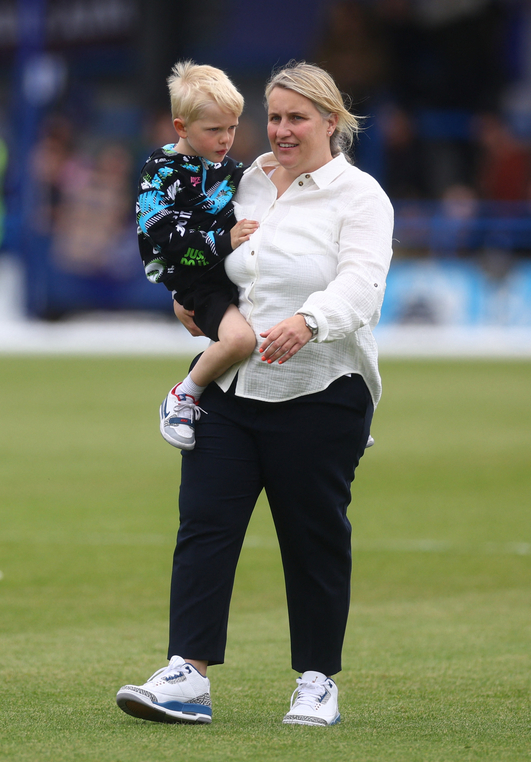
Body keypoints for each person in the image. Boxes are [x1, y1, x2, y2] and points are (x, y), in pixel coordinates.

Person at [117, 61, 393, 727]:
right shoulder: (242, 179)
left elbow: (364, 283)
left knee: (314, 537)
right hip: (234, 391)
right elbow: (201, 253)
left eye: (297, 117)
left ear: (332, 121)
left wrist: (309, 321)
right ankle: (187, 674)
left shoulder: (360, 197)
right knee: (206, 526)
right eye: (274, 116)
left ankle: (316, 680)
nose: (281, 130)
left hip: (323, 389)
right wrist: (192, 303)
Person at [137, 60, 258, 450]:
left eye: (232, 128)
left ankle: (331, 407)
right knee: (240, 341)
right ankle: (183, 396)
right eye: (215, 130)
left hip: (233, 273)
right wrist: (225, 242)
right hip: (198, 283)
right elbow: (163, 235)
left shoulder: (230, 169)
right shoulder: (159, 173)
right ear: (181, 127)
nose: (226, 139)